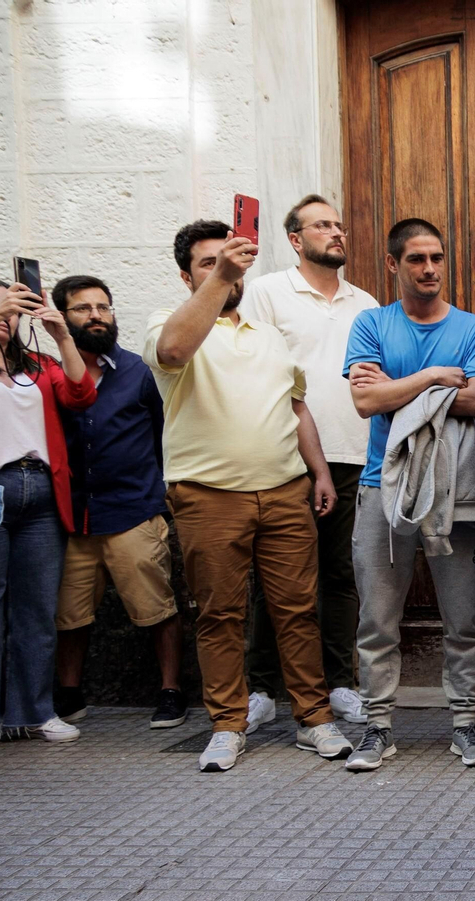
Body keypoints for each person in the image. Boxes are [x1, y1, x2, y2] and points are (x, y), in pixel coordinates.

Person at [145, 219, 352, 772]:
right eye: (206, 264)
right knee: (219, 615)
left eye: (229, 261)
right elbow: (171, 350)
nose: (222, 271)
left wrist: (321, 473)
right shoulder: (170, 324)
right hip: (209, 496)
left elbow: (297, 407)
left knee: (297, 611)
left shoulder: (269, 334)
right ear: (186, 276)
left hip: (285, 492)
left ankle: (314, 718)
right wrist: (220, 281)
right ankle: (227, 725)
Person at [340, 218, 475, 772]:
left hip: (455, 492)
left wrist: (394, 388)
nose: (429, 269)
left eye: (436, 258)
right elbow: (364, 402)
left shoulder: (474, 328)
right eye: (416, 259)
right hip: (383, 488)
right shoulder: (372, 323)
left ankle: (466, 723)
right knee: (377, 618)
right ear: (392, 264)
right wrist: (432, 376)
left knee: (463, 615)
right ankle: (377, 726)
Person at [239, 194, 379, 732]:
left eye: (339, 224)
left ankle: (340, 684)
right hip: (287, 458)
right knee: (277, 579)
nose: (336, 232)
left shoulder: (364, 303)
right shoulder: (267, 292)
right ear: (295, 239)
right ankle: (261, 689)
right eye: (323, 225)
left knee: (344, 575)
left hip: (355, 454)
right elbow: (252, 370)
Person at [0, 278, 95, 756]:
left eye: (12, 308)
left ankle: (34, 712)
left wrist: (61, 335)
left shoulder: (39, 364)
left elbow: (80, 395)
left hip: (41, 490)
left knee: (37, 609)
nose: (6, 315)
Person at [49, 274, 186, 729]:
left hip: (133, 511)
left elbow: (162, 433)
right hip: (74, 517)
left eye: (103, 307)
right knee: (69, 614)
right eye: (83, 309)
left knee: (157, 608)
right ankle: (68, 694)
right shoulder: (50, 377)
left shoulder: (138, 372)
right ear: (62, 318)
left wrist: (157, 492)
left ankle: (170, 690)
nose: (95, 316)